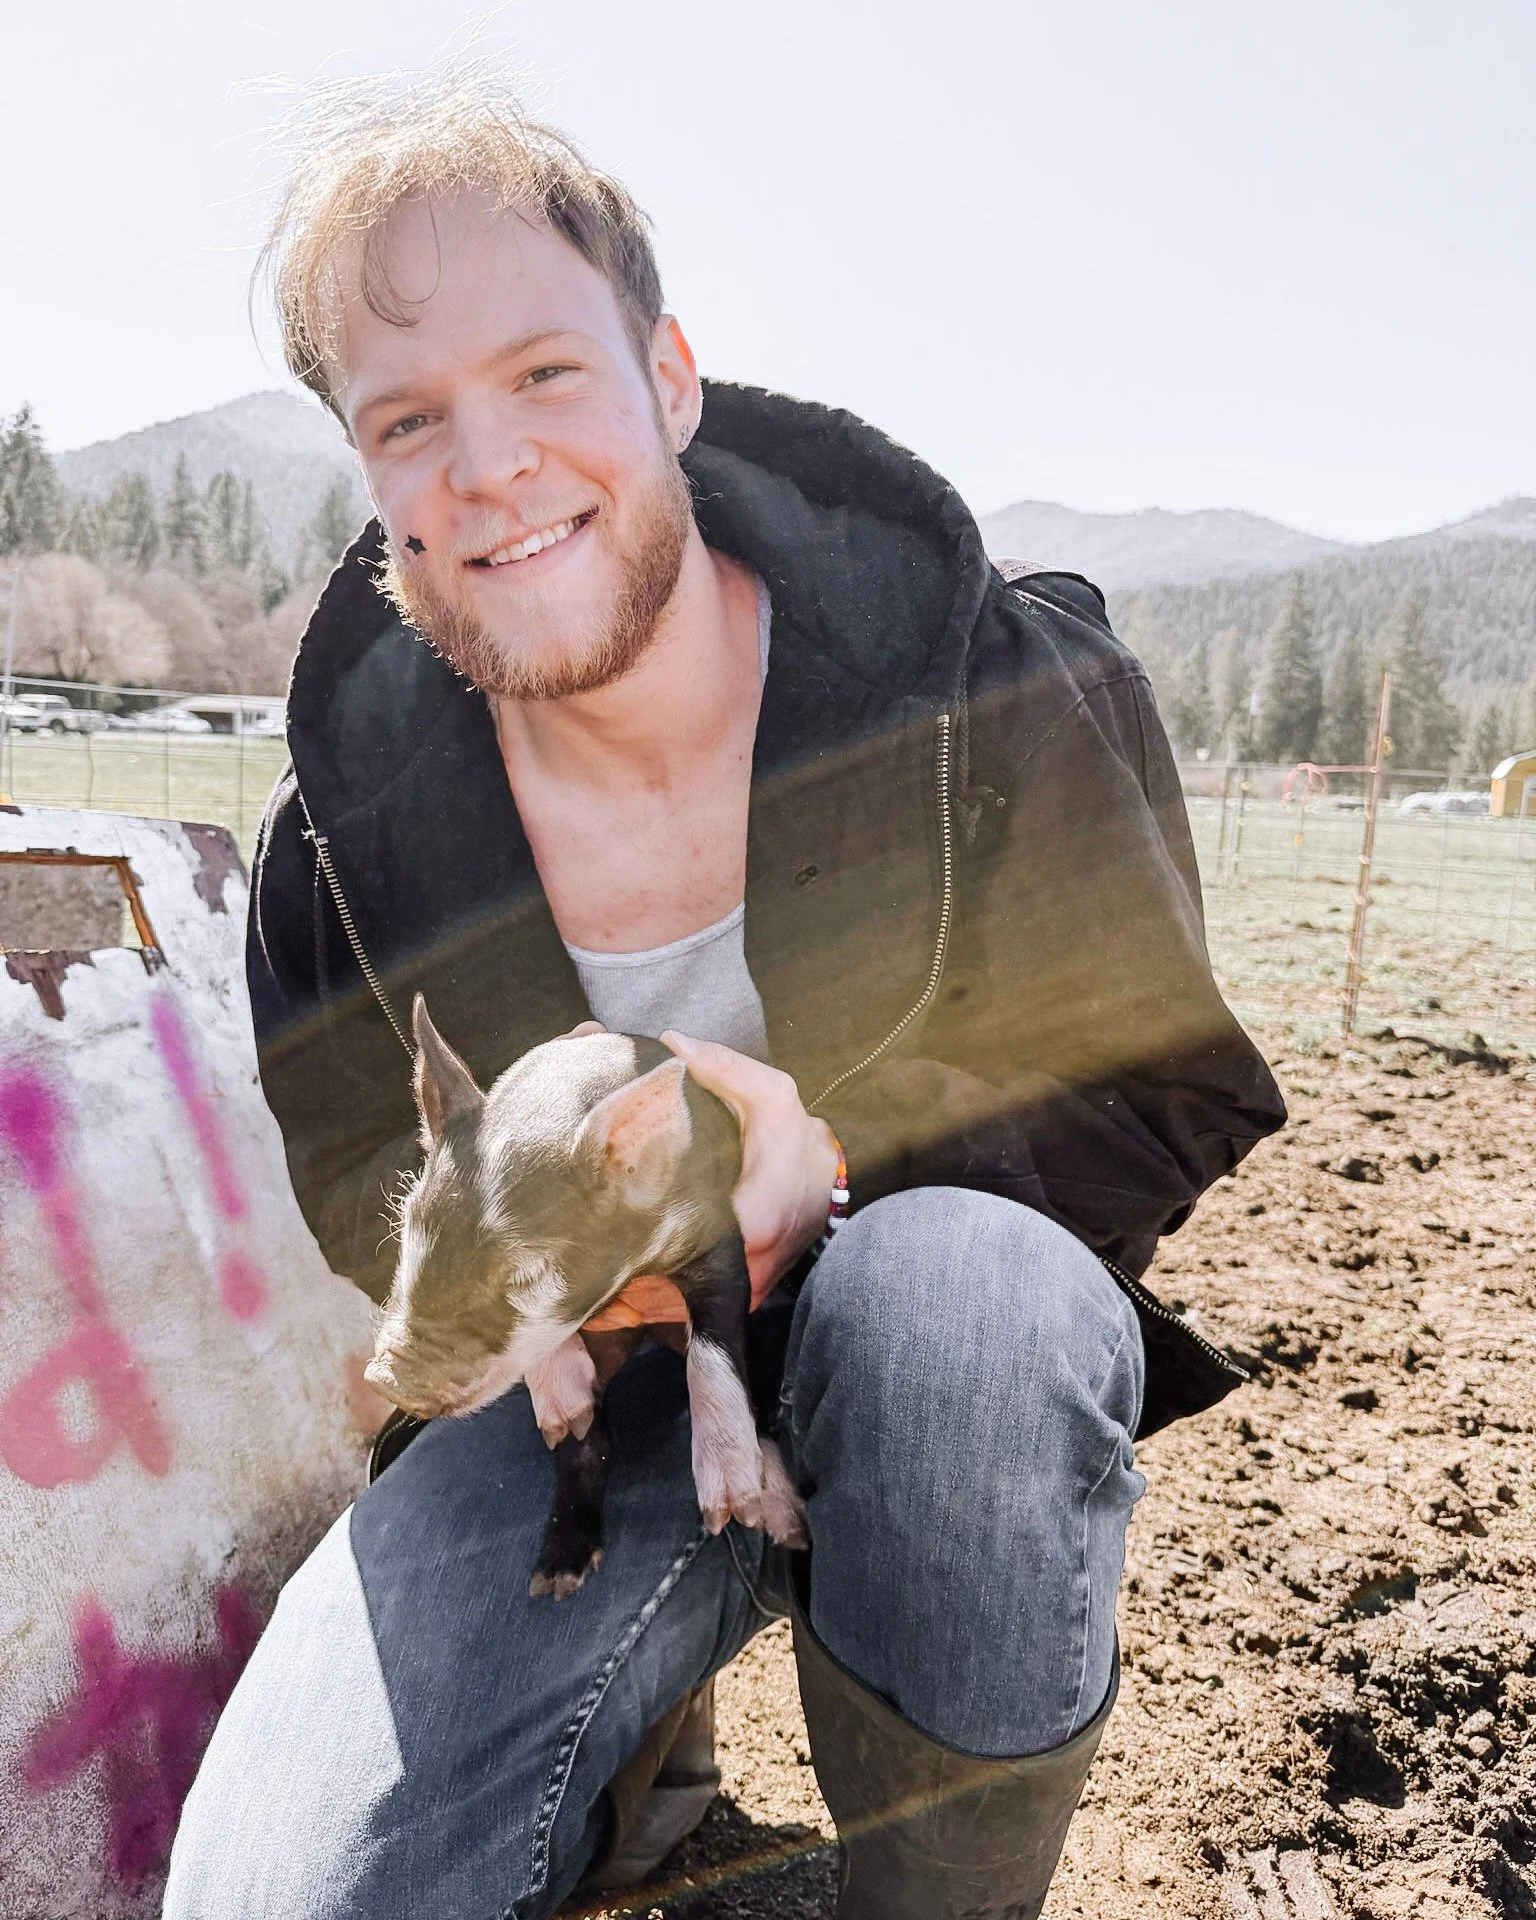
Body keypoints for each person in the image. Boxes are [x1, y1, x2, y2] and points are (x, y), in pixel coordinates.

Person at [164, 67, 1285, 1920]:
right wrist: (572, 1283)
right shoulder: (337, 843)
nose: (489, 467)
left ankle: (934, 1893)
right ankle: (633, 1768)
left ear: (669, 378)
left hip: (926, 1362)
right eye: (409, 422)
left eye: (545, 375)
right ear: (369, 478)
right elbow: (370, 1175)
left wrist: (810, 1169)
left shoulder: (990, 687)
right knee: (280, 1897)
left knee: (969, 1310)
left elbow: (1160, 1083)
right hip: (584, 1398)